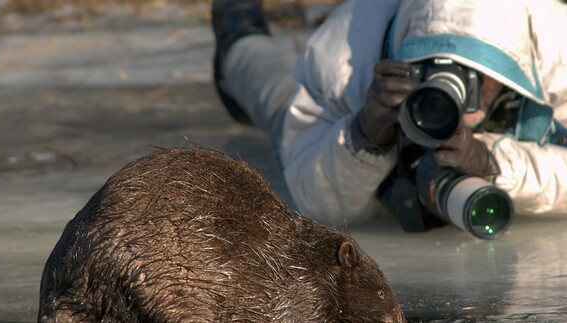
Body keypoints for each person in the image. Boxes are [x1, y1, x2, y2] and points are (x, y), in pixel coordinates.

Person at [211, 0, 567, 227]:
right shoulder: (345, 54)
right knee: (272, 93)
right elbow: (312, 195)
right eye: (432, 65)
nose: (454, 95)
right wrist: (363, 133)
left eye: (478, 72)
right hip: (346, 99)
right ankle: (239, 33)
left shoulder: (554, 49)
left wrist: (494, 162)